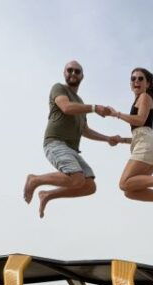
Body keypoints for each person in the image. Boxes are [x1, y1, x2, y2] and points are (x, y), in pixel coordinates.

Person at [23, 60, 118, 218]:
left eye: (77, 71)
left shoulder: (80, 103)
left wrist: (107, 138)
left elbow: (85, 130)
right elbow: (66, 108)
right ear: (64, 73)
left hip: (72, 150)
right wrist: (94, 108)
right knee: (76, 179)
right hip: (55, 142)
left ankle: (47, 195)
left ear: (82, 76)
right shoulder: (59, 88)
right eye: (70, 70)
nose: (73, 73)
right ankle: (35, 180)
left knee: (89, 186)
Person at [109, 67, 153, 219]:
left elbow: (140, 120)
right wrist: (121, 140)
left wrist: (117, 114)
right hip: (149, 146)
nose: (136, 81)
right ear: (130, 84)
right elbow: (141, 133)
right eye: (133, 79)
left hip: (147, 146)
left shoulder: (144, 97)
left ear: (147, 84)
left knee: (123, 183)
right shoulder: (140, 100)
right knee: (130, 191)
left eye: (140, 78)